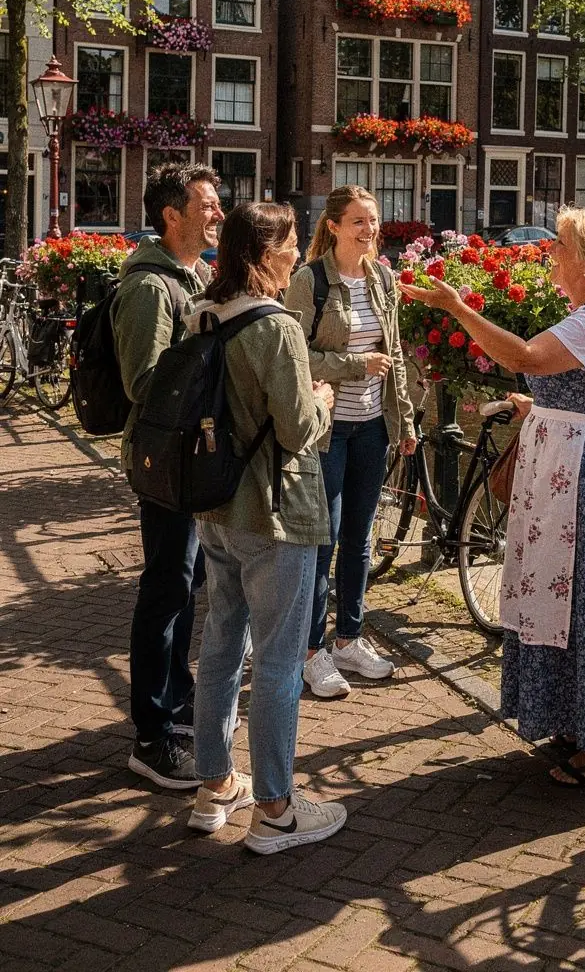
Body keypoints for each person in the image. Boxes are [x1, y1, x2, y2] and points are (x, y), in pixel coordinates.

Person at [401, 206, 585, 785]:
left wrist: (458, 308)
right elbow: (575, 386)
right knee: (578, 594)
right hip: (573, 462)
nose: (551, 254)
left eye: (561, 247)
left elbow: (524, 357)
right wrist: (542, 407)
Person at [185, 201, 347, 854]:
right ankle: (276, 808)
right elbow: (296, 430)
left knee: (223, 646)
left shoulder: (203, 312)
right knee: (279, 662)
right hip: (275, 515)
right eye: (288, 247)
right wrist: (324, 400)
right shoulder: (276, 326)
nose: (297, 257)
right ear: (265, 253)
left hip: (214, 507)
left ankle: (215, 784)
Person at [112, 162, 223, 790]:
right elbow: (143, 381)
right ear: (171, 215)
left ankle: (178, 697)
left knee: (188, 579)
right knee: (165, 587)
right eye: (206, 205)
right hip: (164, 461)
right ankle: (151, 736)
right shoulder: (152, 288)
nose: (217, 213)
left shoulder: (195, 274)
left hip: (191, 460)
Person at [285, 185, 416, 699]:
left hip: (372, 427)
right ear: (334, 226)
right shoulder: (308, 281)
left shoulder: (383, 278)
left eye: (374, 220)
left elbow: (397, 353)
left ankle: (350, 639)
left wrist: (403, 422)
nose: (369, 230)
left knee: (361, 538)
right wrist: (353, 366)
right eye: (359, 222)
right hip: (328, 429)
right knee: (324, 537)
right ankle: (311, 651)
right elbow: (292, 358)